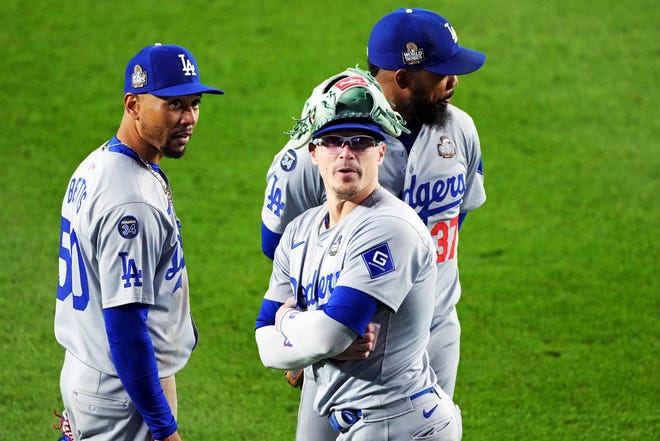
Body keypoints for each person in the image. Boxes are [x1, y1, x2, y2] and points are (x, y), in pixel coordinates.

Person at [260, 8, 486, 440]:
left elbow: (456, 220)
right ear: (402, 79)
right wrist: (308, 338)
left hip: (434, 328)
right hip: (345, 340)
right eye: (441, 72)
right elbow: (281, 245)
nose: (454, 82)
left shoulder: (461, 131)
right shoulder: (320, 151)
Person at [54, 43, 223, 441]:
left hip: (91, 371)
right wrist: (164, 430)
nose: (189, 118)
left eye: (195, 103)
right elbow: (126, 326)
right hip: (121, 391)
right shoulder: (131, 201)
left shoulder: (98, 163)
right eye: (173, 105)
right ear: (133, 104)